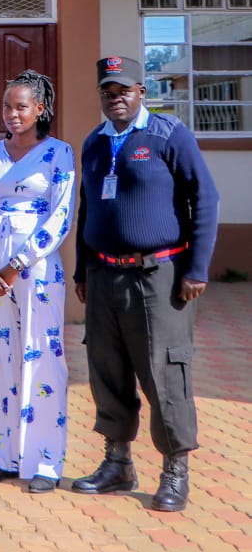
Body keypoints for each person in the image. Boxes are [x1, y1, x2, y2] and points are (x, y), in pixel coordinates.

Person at [72, 55, 219, 513]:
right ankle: (118, 463)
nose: (116, 98)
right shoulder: (95, 142)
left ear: (142, 92)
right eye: (107, 92)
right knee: (107, 369)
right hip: (103, 274)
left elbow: (206, 198)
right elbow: (86, 209)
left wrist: (196, 270)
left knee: (164, 373)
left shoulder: (168, 136)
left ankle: (175, 469)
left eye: (124, 90)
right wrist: (81, 269)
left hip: (158, 276)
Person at [0, 71, 76, 494]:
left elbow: (61, 215)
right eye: (7, 107)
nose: (12, 114)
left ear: (40, 110)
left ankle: (44, 461)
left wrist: (17, 264)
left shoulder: (59, 153)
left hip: (37, 267)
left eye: (21, 107)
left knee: (41, 358)